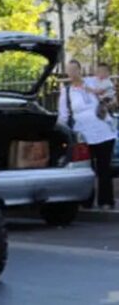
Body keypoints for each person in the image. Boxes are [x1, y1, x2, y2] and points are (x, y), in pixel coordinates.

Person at [59, 60, 116, 210]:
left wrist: (108, 101)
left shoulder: (93, 82)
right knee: (87, 168)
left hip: (103, 130)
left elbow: (109, 91)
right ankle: (86, 201)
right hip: (83, 134)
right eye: (69, 70)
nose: (73, 73)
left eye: (75, 69)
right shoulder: (66, 91)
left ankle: (106, 201)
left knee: (104, 167)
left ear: (80, 70)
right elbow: (64, 116)